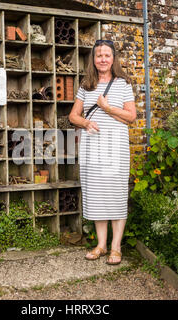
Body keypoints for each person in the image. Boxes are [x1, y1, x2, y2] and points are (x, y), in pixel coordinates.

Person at [68, 40, 137, 265]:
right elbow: (72, 116)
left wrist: (107, 108)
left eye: (107, 55)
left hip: (115, 146)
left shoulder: (123, 84)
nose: (103, 59)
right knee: (97, 194)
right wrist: (86, 122)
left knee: (115, 194)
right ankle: (101, 245)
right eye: (99, 56)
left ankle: (116, 247)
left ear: (113, 58)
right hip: (92, 147)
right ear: (94, 60)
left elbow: (131, 116)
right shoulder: (86, 85)